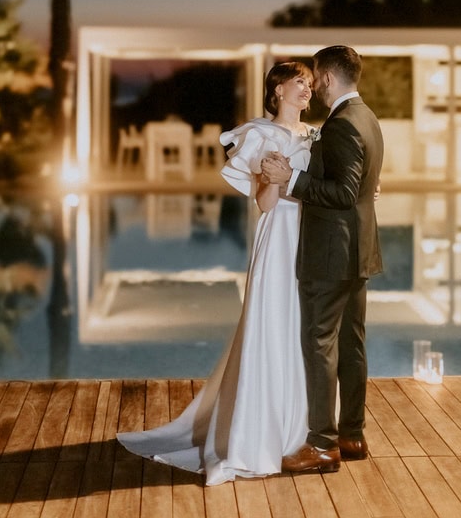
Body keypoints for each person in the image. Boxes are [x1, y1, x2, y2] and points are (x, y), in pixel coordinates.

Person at [117, 61, 316, 485]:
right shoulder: (261, 135)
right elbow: (264, 204)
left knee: (303, 328)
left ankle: (299, 428)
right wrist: (274, 180)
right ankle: (259, 436)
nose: (307, 90)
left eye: (311, 84)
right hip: (279, 237)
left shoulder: (315, 135)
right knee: (273, 325)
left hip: (312, 240)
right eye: (299, 82)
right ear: (277, 90)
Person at [261, 45, 384, 474]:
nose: (314, 86)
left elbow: (343, 193)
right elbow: (360, 186)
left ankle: (322, 445)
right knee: (352, 345)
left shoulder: (341, 126)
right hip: (358, 252)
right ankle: (352, 434)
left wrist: (289, 177)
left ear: (328, 79)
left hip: (331, 255)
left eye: (315, 78)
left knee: (320, 344)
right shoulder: (367, 118)